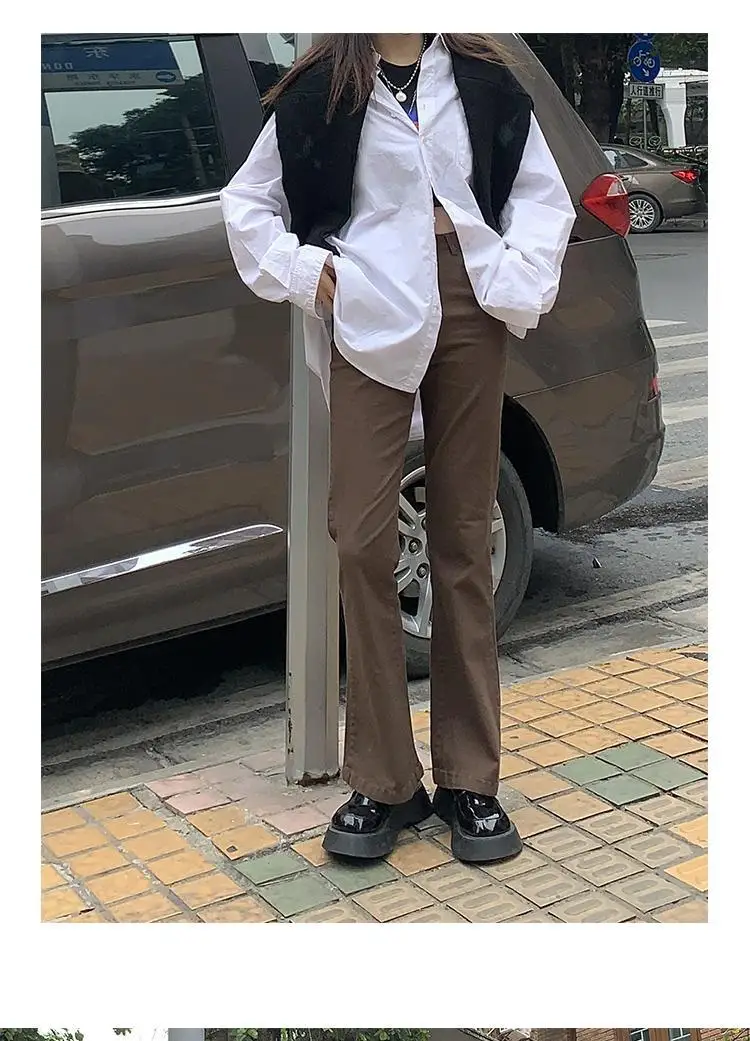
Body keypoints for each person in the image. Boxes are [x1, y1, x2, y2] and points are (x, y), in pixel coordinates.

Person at [221, 33, 575, 863]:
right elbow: (247, 202)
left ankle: (470, 778)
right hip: (369, 304)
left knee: (462, 535)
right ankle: (384, 780)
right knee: (360, 535)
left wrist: (511, 272)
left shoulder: (484, 78)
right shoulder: (322, 87)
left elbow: (542, 194)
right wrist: (306, 271)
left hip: (469, 297)